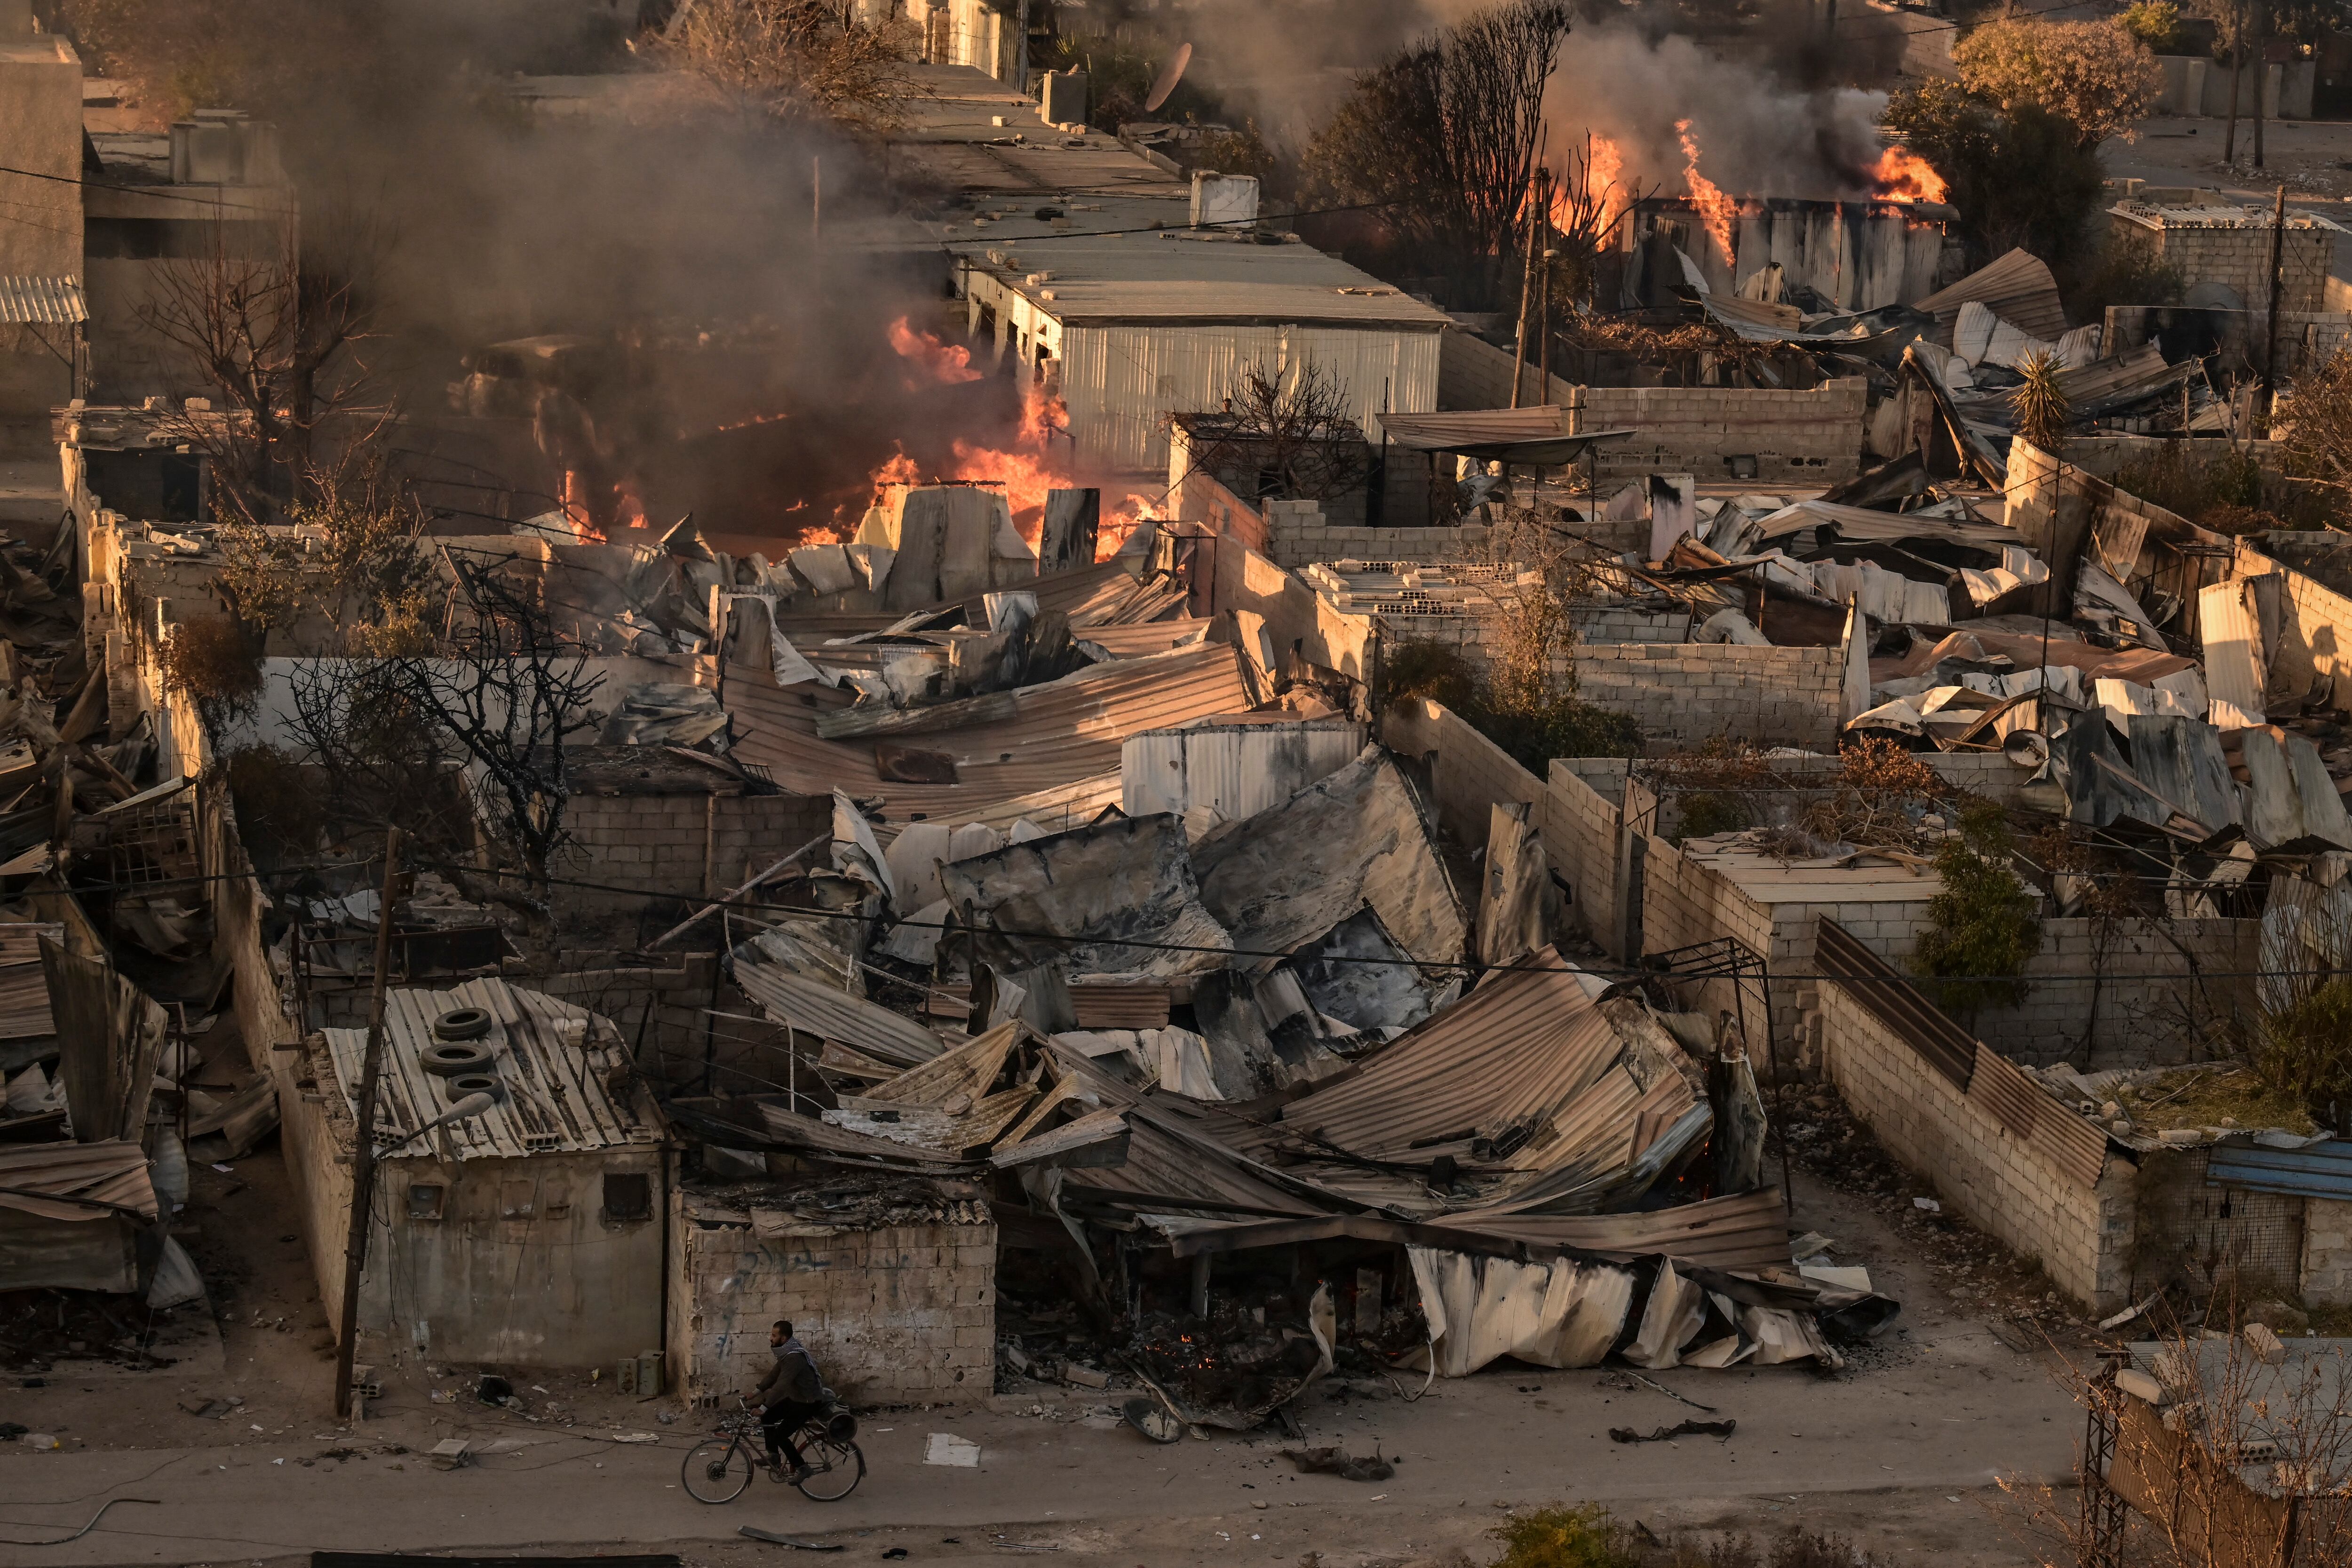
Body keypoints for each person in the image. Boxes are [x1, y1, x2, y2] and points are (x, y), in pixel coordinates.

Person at [749, 1320, 824, 1481]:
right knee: (768, 1418)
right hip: (797, 1399)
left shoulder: (794, 1357)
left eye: (774, 1335)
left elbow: (781, 1385)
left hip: (808, 1403)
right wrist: (754, 1393)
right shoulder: (787, 1353)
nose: (770, 1338)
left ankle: (802, 1467)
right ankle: (774, 1456)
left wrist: (764, 1406)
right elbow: (773, 1376)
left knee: (780, 1435)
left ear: (783, 1338)